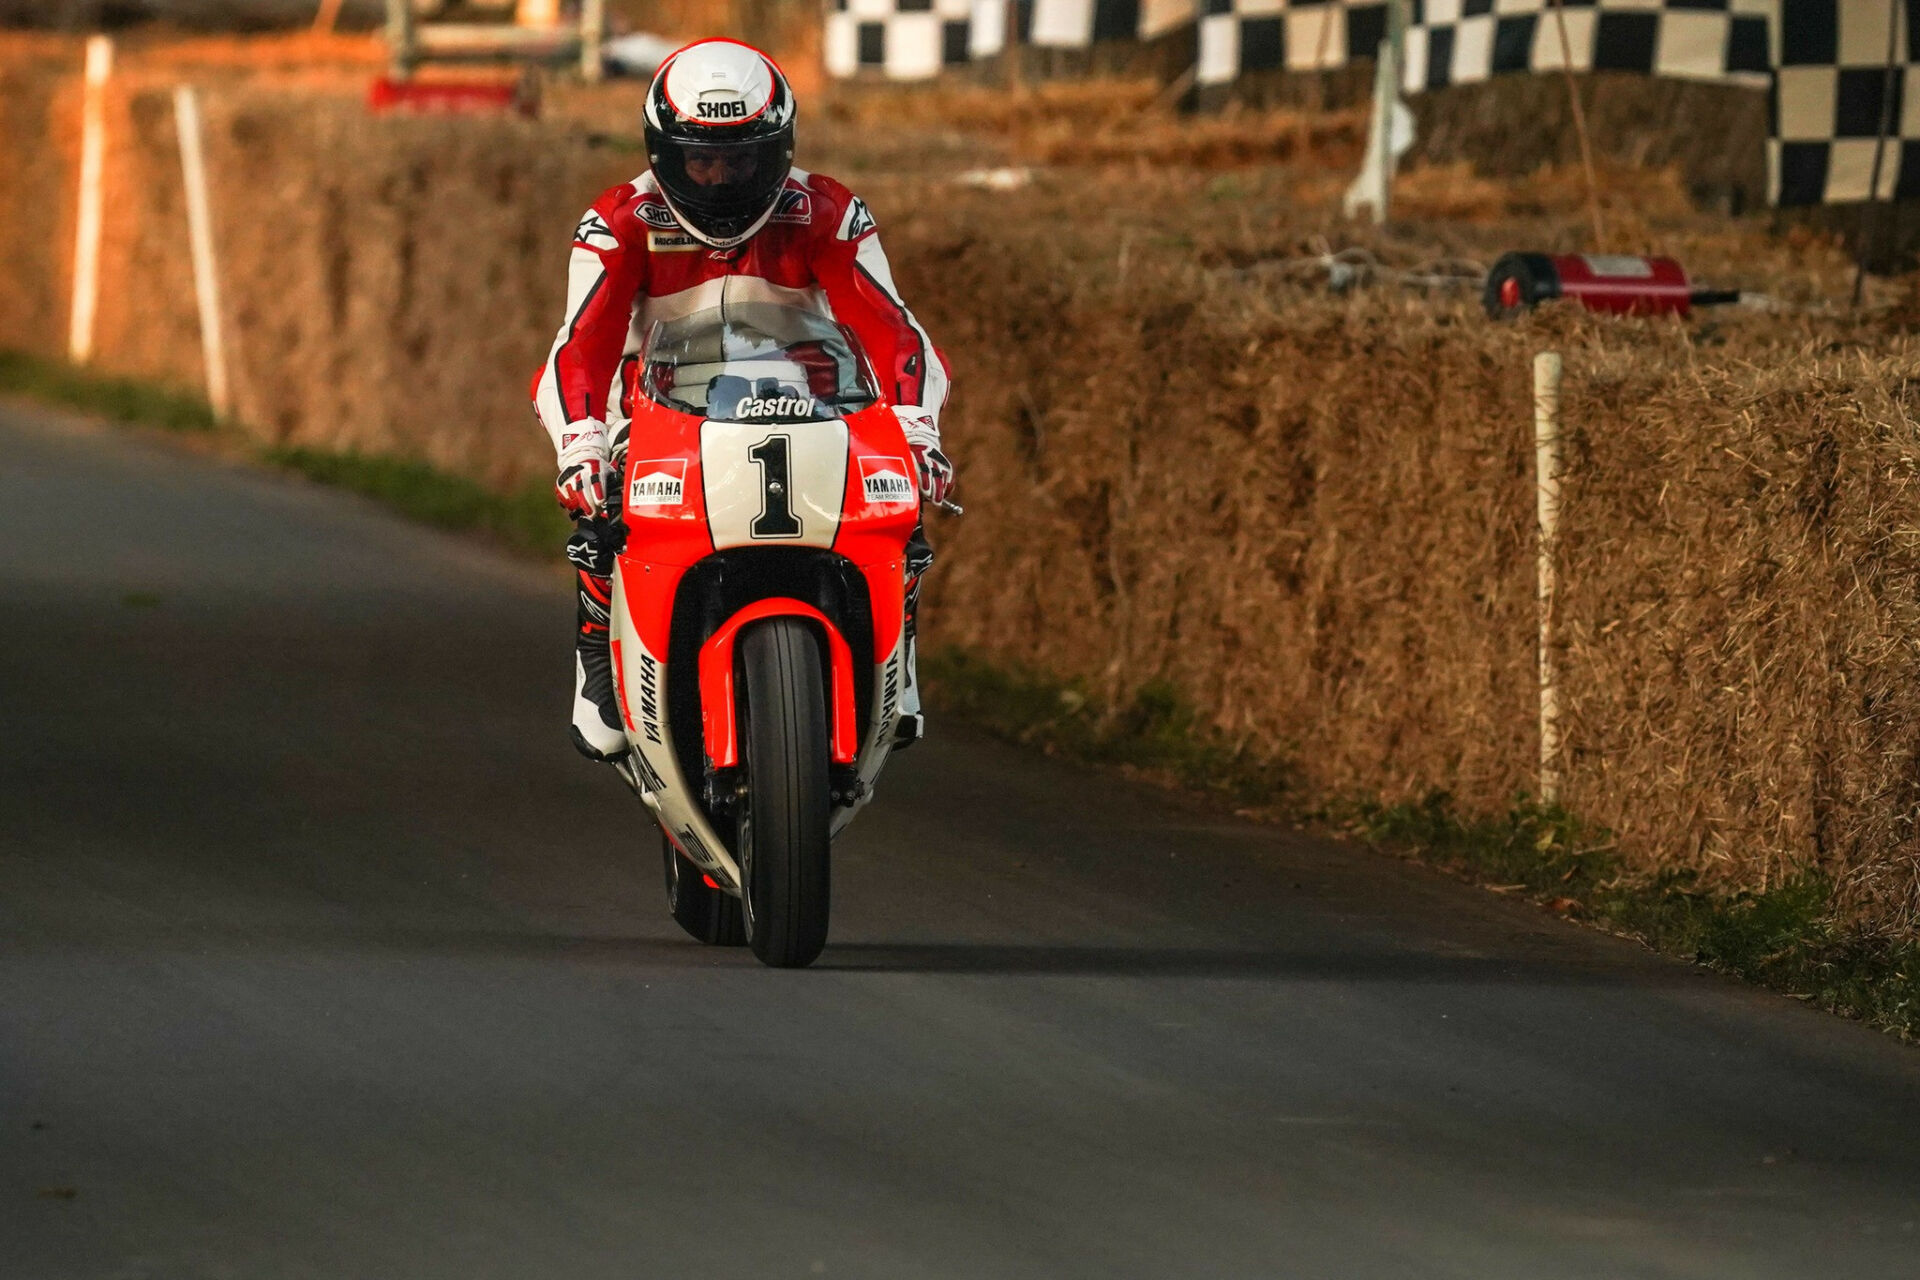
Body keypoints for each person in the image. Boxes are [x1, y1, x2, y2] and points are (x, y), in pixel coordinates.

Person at [531, 37, 954, 762]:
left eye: (741, 160)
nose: (721, 180)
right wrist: (581, 448)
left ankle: (897, 648)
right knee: (597, 519)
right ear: (665, 153)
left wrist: (918, 431)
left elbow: (893, 333)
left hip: (814, 404)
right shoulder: (619, 221)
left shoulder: (830, 212)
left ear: (779, 150)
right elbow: (581, 348)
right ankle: (597, 646)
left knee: (900, 510)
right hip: (657, 412)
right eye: (702, 159)